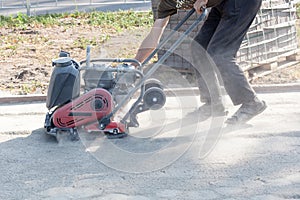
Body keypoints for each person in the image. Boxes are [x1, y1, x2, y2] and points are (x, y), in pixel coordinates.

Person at [134, 0, 267, 125]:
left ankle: (251, 103)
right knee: (199, 48)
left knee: (219, 54)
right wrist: (135, 64)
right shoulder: (166, 3)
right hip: (223, 4)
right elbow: (155, 35)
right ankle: (213, 104)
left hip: (242, 3)